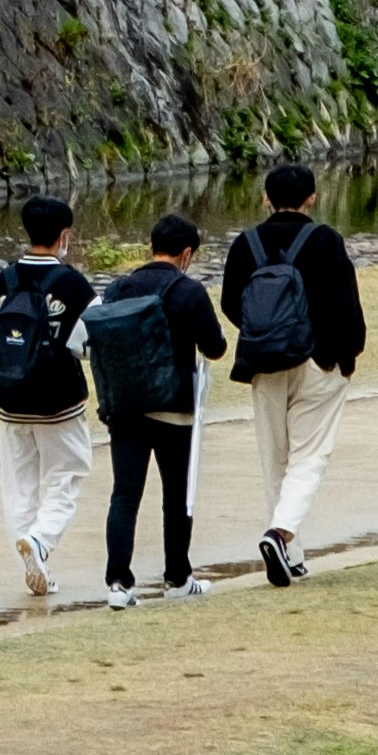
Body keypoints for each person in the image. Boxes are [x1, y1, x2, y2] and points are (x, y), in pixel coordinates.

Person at [216, 160, 368, 587]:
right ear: (312, 198)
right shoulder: (325, 240)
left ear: (266, 198)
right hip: (319, 362)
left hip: (264, 363)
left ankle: (293, 553)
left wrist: (266, 334)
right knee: (310, 455)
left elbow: (232, 304)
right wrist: (347, 355)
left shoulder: (245, 244)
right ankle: (280, 535)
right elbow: (345, 304)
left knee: (274, 458)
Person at [80, 209, 230, 605]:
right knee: (176, 494)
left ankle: (118, 584)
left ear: (151, 247)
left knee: (124, 495)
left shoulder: (118, 287)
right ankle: (178, 578)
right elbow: (215, 348)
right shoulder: (189, 291)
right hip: (173, 408)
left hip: (124, 406)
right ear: (187, 253)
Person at [0, 194, 95, 602]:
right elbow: (87, 342)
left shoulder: (3, 281)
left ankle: (31, 556)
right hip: (59, 402)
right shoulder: (73, 284)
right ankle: (41, 543)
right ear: (65, 236)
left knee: (19, 486)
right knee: (67, 476)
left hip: (9, 399)